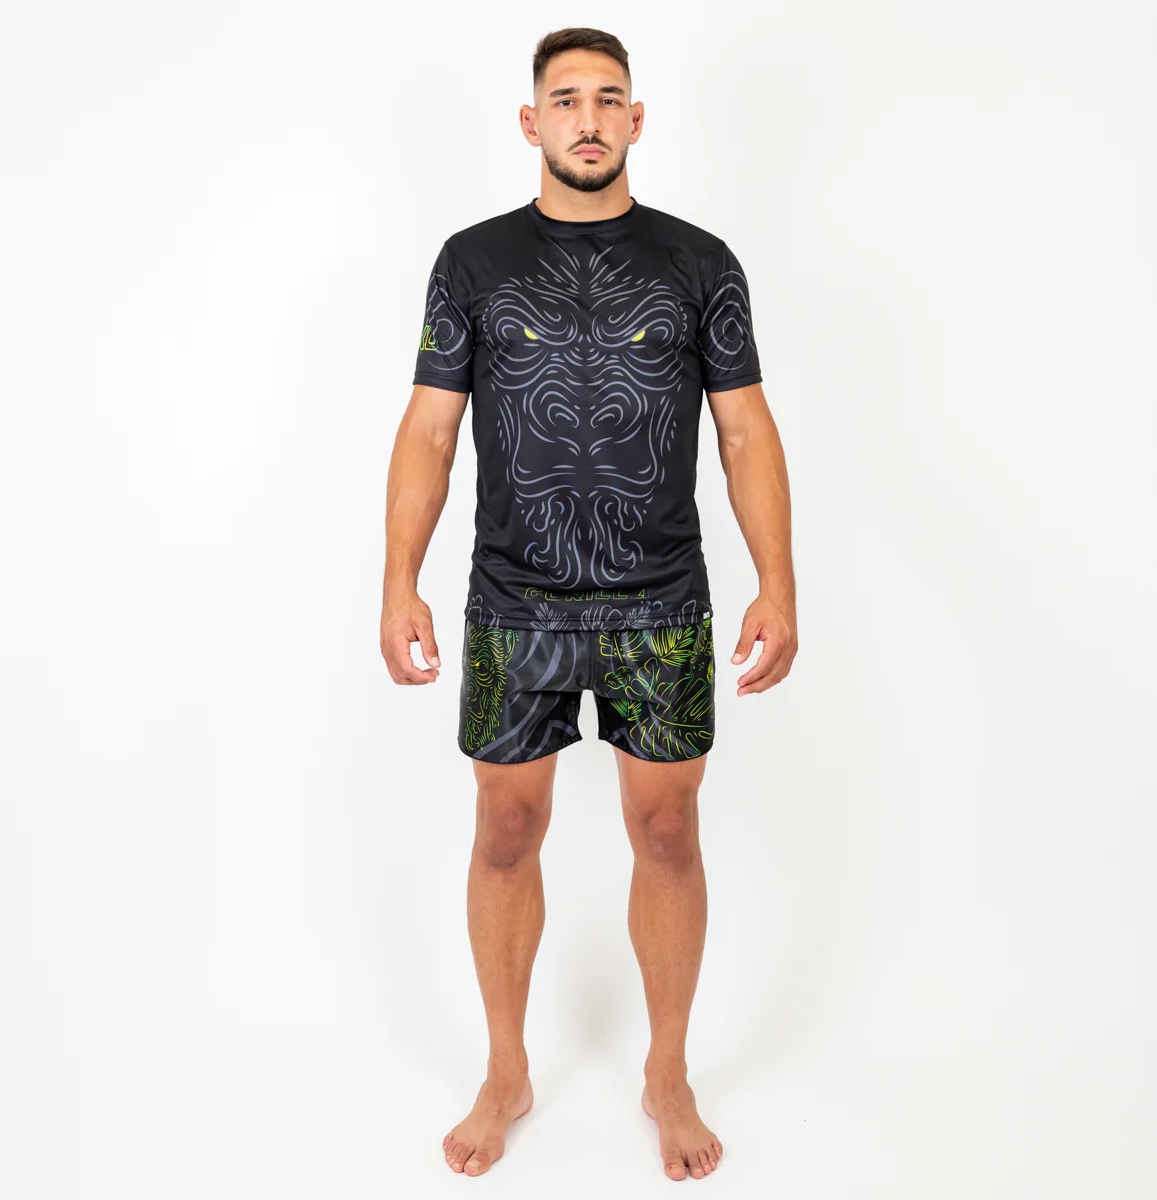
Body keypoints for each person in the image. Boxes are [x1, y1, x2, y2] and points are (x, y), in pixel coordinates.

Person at [380, 26, 797, 1182]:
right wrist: (398, 578)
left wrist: (779, 580)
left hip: (659, 598)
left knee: (666, 830)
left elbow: (746, 431)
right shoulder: (471, 263)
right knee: (506, 828)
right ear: (532, 123)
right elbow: (429, 430)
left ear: (636, 119)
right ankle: (506, 1069)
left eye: (609, 99)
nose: (588, 119)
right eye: (566, 100)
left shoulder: (701, 264)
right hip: (514, 601)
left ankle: (667, 1072)